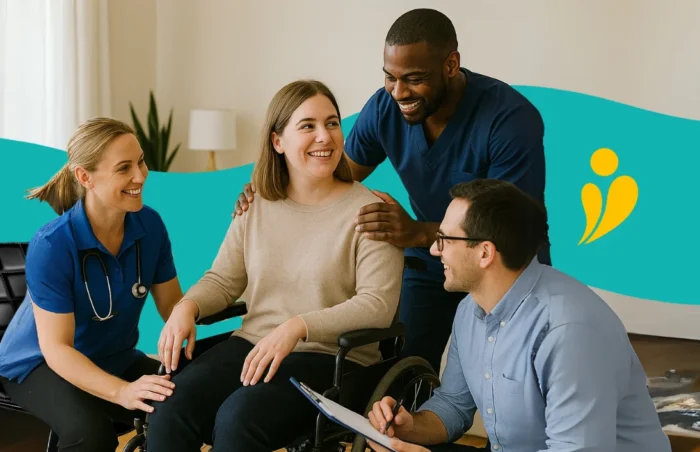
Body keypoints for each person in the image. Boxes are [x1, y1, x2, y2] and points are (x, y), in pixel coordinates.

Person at [233, 8, 549, 372]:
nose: (399, 92)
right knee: (404, 367)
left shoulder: (509, 119)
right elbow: (338, 172)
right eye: (390, 77)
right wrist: (272, 187)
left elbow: (508, 229)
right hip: (432, 261)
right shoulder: (385, 108)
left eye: (414, 79)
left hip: (506, 264)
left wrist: (415, 231)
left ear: (451, 64)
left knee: (511, 375)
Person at [143, 80, 405, 451]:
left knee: (238, 418)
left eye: (332, 123)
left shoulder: (372, 213)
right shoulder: (257, 205)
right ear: (277, 141)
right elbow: (223, 279)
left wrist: (298, 326)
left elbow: (377, 306)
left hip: (331, 358)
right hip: (255, 344)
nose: (324, 137)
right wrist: (187, 307)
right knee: (171, 405)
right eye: (308, 126)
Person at [363, 179, 670, 452]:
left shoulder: (568, 330)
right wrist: (409, 426)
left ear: (485, 253)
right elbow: (453, 404)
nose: (434, 251)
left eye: (444, 239)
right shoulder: (470, 310)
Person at [0, 118, 185, 452]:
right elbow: (57, 349)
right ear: (85, 177)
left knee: (186, 404)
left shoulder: (149, 225)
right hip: (37, 364)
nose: (140, 176)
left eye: (140, 161)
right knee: (91, 434)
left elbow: (173, 308)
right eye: (124, 168)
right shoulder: (53, 244)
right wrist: (123, 392)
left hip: (113, 356)